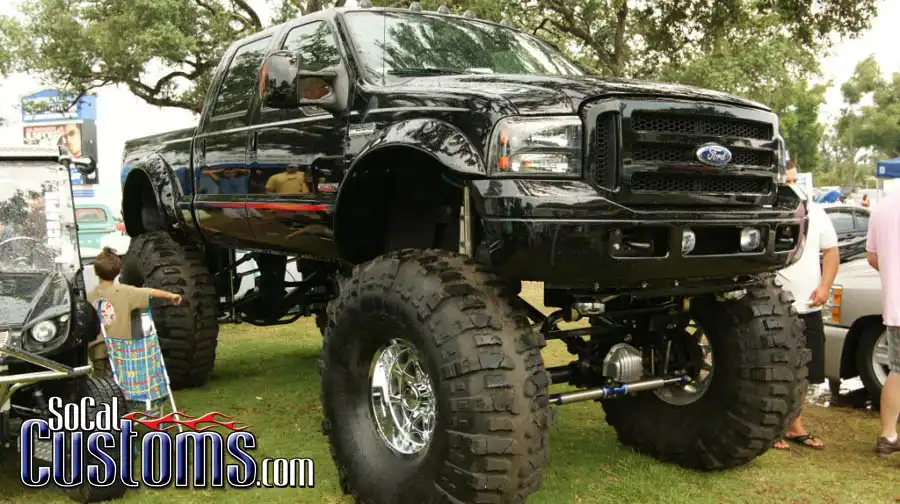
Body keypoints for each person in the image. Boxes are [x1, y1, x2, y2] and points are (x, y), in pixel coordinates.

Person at [773, 160, 840, 450]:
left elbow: (832, 252)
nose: (792, 186)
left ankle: (794, 425)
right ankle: (773, 428)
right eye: (786, 181)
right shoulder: (767, 212)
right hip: (776, 310)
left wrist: (825, 287)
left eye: (795, 180)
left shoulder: (817, 212)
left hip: (810, 306)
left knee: (807, 371)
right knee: (776, 370)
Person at [86, 248, 182, 377]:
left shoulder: (89, 296)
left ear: (95, 271)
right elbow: (150, 292)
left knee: (101, 382)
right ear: (118, 271)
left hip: (97, 349)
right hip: (120, 348)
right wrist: (171, 295)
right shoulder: (127, 292)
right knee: (121, 379)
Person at [865, 190, 900, 457]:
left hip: (896, 305)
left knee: (897, 371)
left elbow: (872, 257)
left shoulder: (883, 206)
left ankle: (888, 435)